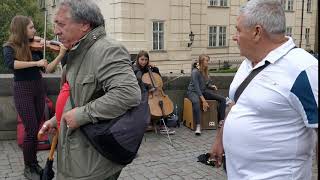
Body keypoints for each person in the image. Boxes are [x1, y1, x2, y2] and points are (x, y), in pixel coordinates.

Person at [210, 0, 318, 179]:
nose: (234, 37)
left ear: (257, 32)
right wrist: (219, 140)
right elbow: (235, 104)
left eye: (238, 30)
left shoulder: (304, 70)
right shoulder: (247, 63)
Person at [38, 0, 141, 179]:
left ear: (85, 24)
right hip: (76, 153)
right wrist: (57, 119)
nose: (55, 31)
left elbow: (128, 94)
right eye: (55, 24)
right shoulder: (78, 51)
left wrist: (81, 115)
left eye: (61, 24)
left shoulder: (107, 49)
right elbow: (79, 97)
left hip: (92, 160)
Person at [2, 15, 67, 180]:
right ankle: (28, 167)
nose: (35, 31)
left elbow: (48, 69)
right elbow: (13, 64)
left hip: (38, 89)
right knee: (30, 130)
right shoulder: (9, 46)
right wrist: (35, 64)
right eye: (31, 28)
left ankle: (34, 163)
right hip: (23, 90)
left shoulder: (35, 48)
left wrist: (60, 54)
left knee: (37, 128)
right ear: (22, 29)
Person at [133, 50, 175, 134]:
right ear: (138, 59)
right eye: (142, 59)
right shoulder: (135, 68)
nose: (144, 62)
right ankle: (146, 123)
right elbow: (138, 81)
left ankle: (163, 125)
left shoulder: (148, 68)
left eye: (146, 60)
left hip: (154, 92)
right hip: (140, 91)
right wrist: (148, 86)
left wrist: (155, 68)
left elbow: (158, 80)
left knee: (163, 102)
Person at [187, 54, 226, 135]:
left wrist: (212, 86)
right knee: (197, 102)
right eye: (206, 61)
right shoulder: (195, 72)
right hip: (193, 92)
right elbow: (197, 88)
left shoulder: (205, 71)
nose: (208, 62)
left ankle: (221, 121)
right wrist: (204, 101)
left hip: (203, 91)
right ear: (201, 61)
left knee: (223, 99)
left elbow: (206, 84)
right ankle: (198, 125)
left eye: (208, 61)